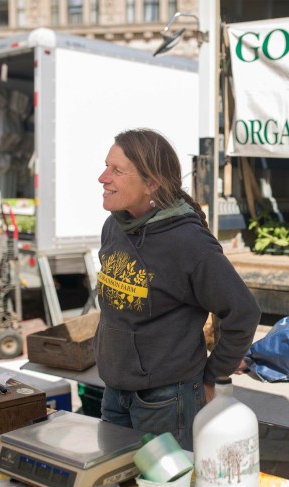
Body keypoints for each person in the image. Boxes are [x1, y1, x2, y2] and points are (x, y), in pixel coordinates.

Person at [94, 128, 261, 451]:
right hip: (114, 392)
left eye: (117, 170)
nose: (103, 177)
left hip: (166, 402)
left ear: (151, 182)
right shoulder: (114, 226)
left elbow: (243, 312)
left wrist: (215, 377)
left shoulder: (188, 242)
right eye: (106, 166)